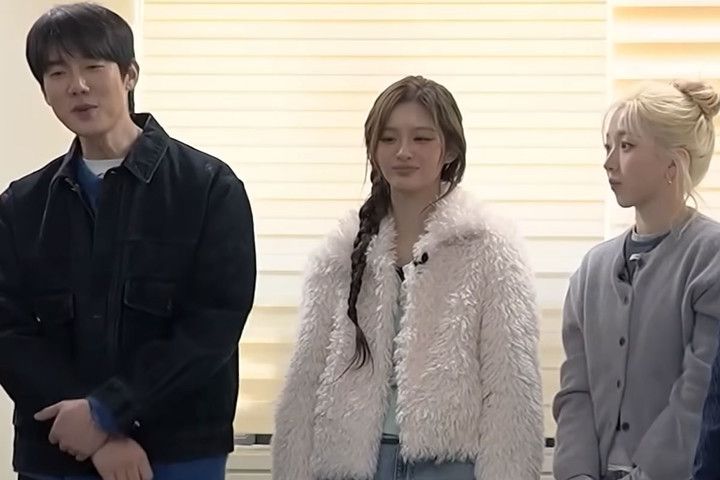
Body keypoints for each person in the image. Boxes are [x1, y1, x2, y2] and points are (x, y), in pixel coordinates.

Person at [0, 3, 256, 479]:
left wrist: (107, 412)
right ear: (45, 91)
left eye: (93, 66)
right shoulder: (21, 205)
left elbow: (213, 326)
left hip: (178, 450)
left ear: (130, 75)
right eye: (58, 73)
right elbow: (9, 332)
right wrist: (91, 432)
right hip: (57, 451)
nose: (78, 85)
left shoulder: (208, 188)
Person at [271, 75, 544, 480]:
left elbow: (513, 391)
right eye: (388, 139)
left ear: (450, 149)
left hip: (449, 465)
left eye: (421, 138)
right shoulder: (338, 255)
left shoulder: (491, 250)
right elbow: (304, 385)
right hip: (349, 464)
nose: (403, 152)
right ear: (373, 149)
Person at [553, 80, 720, 480]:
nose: (609, 163)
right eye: (607, 147)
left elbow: (697, 394)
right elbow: (576, 391)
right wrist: (577, 474)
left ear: (673, 164)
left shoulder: (710, 257)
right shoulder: (591, 270)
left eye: (626, 146)